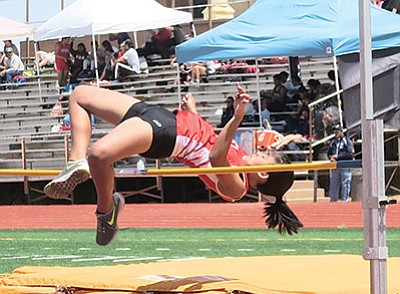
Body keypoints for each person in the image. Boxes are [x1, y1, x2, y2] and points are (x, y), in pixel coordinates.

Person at [43, 83, 303, 246]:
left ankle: (106, 212)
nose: (262, 149)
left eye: (267, 154)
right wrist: (194, 112)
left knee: (99, 155)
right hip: (164, 117)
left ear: (264, 172)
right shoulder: (239, 158)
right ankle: (75, 162)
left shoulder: (238, 187)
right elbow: (209, 142)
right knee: (80, 95)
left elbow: (214, 157)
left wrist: (236, 117)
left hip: (169, 136)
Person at [327, 126, 354, 202]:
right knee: (333, 185)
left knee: (345, 185)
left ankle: (344, 201)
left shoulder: (347, 141)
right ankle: (333, 201)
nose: (336, 133)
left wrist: (338, 156)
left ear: (341, 131)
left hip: (345, 166)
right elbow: (329, 152)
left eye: (337, 131)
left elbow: (350, 153)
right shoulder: (333, 142)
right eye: (335, 131)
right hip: (335, 167)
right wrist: (331, 157)